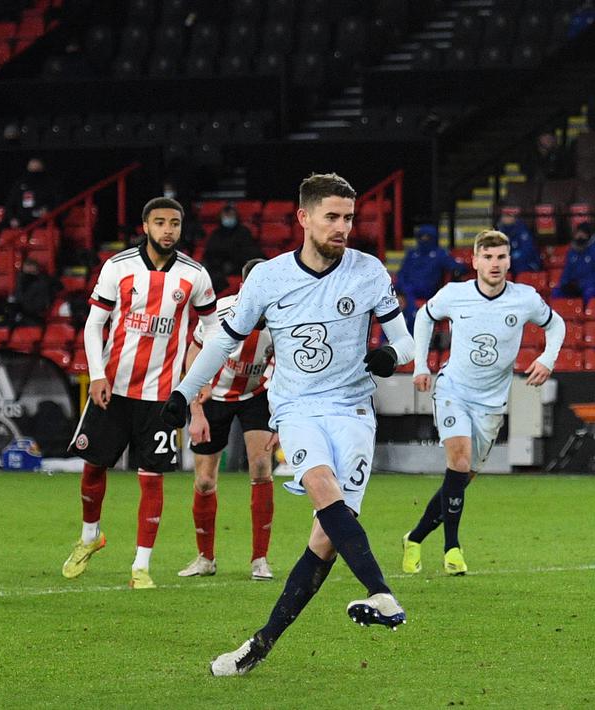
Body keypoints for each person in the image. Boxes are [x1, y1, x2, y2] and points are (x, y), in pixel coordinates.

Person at [160, 173, 416, 676]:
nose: (343, 227)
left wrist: (389, 354)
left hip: (354, 413)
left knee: (325, 540)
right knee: (321, 486)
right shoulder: (269, 278)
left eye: (349, 217)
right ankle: (382, 593)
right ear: (304, 218)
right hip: (297, 410)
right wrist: (184, 393)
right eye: (332, 217)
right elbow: (221, 341)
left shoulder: (368, 272)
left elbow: (406, 343)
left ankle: (259, 645)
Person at [60, 197, 218, 589]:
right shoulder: (118, 267)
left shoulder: (195, 275)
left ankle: (141, 566)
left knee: (152, 478)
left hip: (163, 395)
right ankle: (89, 537)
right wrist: (97, 375)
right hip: (113, 389)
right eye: (160, 222)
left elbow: (213, 330)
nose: (168, 230)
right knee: (94, 466)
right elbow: (94, 324)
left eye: (175, 223)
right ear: (145, 225)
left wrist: (200, 378)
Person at [402, 229, 565, 575]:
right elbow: (425, 317)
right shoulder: (454, 294)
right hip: (453, 391)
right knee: (458, 461)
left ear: (509, 261)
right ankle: (452, 549)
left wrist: (548, 359)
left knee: (460, 479)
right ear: (474, 261)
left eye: (501, 257)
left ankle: (414, 538)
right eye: (487, 257)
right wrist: (420, 364)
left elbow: (557, 325)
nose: (494, 263)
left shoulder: (524, 299)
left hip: (491, 403)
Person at [177, 258, 276, 581]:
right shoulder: (219, 312)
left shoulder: (283, 317)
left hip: (255, 395)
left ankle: (260, 559)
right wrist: (195, 410)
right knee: (205, 480)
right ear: (245, 287)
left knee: (261, 469)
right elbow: (193, 354)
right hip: (213, 397)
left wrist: (280, 418)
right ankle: (205, 558)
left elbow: (290, 368)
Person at [395, 223, 465, 330]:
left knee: (411, 310)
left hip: (429, 291)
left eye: (427, 237)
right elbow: (401, 274)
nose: (424, 240)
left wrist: (461, 267)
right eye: (422, 237)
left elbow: (456, 267)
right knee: (390, 309)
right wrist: (400, 288)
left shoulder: (440, 254)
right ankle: (387, 342)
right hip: (407, 291)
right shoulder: (412, 254)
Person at [201, 203, 263, 291]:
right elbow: (209, 253)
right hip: (217, 267)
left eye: (230, 215)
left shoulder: (243, 232)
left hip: (237, 266)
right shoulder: (216, 234)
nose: (228, 218)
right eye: (226, 216)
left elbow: (249, 252)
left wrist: (233, 263)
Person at [552, 222, 595, 302]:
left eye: (583, 234)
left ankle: (586, 313)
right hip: (577, 286)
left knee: (588, 292)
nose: (580, 236)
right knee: (557, 292)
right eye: (578, 234)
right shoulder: (572, 252)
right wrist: (565, 284)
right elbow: (567, 271)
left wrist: (581, 285)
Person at [3, 158, 60, 228]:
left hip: (41, 222)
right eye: (32, 170)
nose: (34, 173)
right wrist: (12, 218)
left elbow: (57, 202)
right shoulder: (20, 184)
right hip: (21, 221)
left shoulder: (50, 185)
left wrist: (48, 210)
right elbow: (10, 204)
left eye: (37, 170)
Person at [6, 257, 60, 327]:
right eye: (26, 271)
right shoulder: (20, 282)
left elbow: (40, 306)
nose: (28, 274)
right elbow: (13, 300)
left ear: (36, 270)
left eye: (31, 271)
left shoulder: (43, 283)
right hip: (18, 317)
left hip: (34, 318)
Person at [496, 206, 541, 274]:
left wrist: (512, 257)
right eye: (503, 216)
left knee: (519, 265)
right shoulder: (501, 231)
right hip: (509, 262)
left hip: (528, 263)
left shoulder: (522, 231)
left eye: (507, 216)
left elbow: (527, 250)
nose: (504, 218)